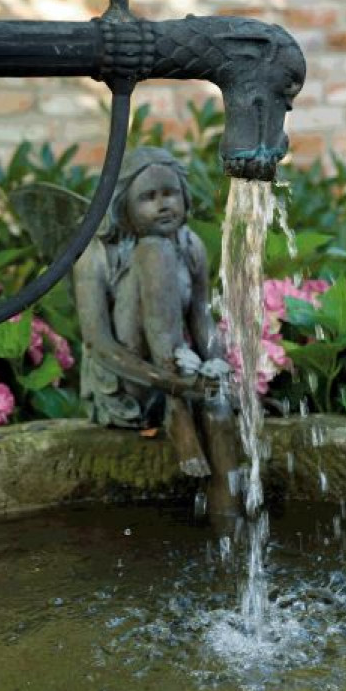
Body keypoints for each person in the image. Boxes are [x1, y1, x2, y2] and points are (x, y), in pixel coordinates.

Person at [74, 146, 240, 533]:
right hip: (129, 386)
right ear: (123, 206)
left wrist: (217, 367)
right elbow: (99, 344)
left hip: (179, 373)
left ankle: (230, 527)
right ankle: (177, 410)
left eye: (170, 193)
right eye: (148, 197)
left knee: (217, 411)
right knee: (154, 250)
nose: (163, 205)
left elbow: (201, 318)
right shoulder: (95, 255)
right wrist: (169, 382)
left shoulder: (191, 244)